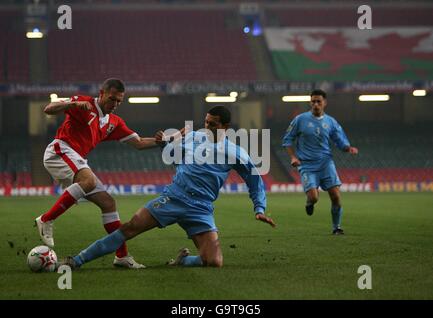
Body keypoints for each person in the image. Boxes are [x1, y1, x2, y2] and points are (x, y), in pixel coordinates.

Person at [60, 106, 276, 269]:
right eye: (206, 122)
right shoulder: (194, 137)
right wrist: (164, 141)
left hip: (201, 208)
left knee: (213, 261)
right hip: (174, 197)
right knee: (130, 227)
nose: (207, 127)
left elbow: (254, 181)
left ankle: (182, 261)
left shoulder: (235, 152)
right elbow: (171, 151)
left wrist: (259, 209)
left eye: (213, 124)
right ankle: (77, 260)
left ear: (226, 128)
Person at [36, 78, 163, 268]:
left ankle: (122, 256)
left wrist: (164, 141)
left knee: (108, 202)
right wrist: (71, 104)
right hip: (60, 150)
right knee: (87, 180)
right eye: (112, 99)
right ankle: (46, 219)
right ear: (101, 93)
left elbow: (139, 143)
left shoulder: (114, 122)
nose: (116, 104)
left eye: (120, 101)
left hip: (76, 157)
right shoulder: (84, 103)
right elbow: (48, 109)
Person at [282, 89, 358, 235]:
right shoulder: (300, 120)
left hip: (325, 163)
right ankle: (309, 203)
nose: (315, 104)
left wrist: (348, 148)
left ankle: (337, 227)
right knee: (314, 197)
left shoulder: (331, 122)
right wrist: (293, 157)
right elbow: (287, 140)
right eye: (313, 101)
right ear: (310, 103)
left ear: (324, 103)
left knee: (336, 196)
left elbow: (339, 140)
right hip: (306, 165)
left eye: (318, 101)